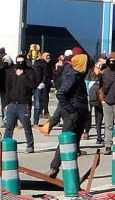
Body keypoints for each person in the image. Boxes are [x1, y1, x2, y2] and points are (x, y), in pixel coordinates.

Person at [48, 49, 90, 179]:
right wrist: (71, 110)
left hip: (79, 113)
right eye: (86, 64)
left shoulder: (78, 76)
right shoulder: (74, 76)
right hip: (73, 114)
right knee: (66, 142)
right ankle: (54, 167)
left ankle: (70, 174)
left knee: (73, 145)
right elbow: (60, 93)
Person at [3, 53, 36, 153]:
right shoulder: (12, 72)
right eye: (18, 62)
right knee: (9, 126)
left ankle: (30, 145)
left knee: (27, 126)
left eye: (22, 62)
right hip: (12, 104)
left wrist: (22, 76)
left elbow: (32, 85)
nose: (20, 63)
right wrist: (6, 103)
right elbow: (8, 88)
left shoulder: (29, 72)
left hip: (24, 104)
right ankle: (6, 144)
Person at [84, 56, 106, 145]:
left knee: (99, 117)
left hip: (100, 98)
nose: (100, 66)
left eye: (102, 64)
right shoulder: (90, 72)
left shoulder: (104, 73)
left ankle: (99, 136)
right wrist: (87, 95)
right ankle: (86, 132)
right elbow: (86, 84)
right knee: (88, 116)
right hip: (90, 96)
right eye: (99, 64)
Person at [31, 50, 49, 125]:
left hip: (37, 86)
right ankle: (26, 122)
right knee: (26, 105)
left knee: (37, 104)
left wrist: (42, 82)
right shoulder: (27, 61)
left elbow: (45, 74)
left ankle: (35, 123)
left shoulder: (41, 62)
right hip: (27, 85)